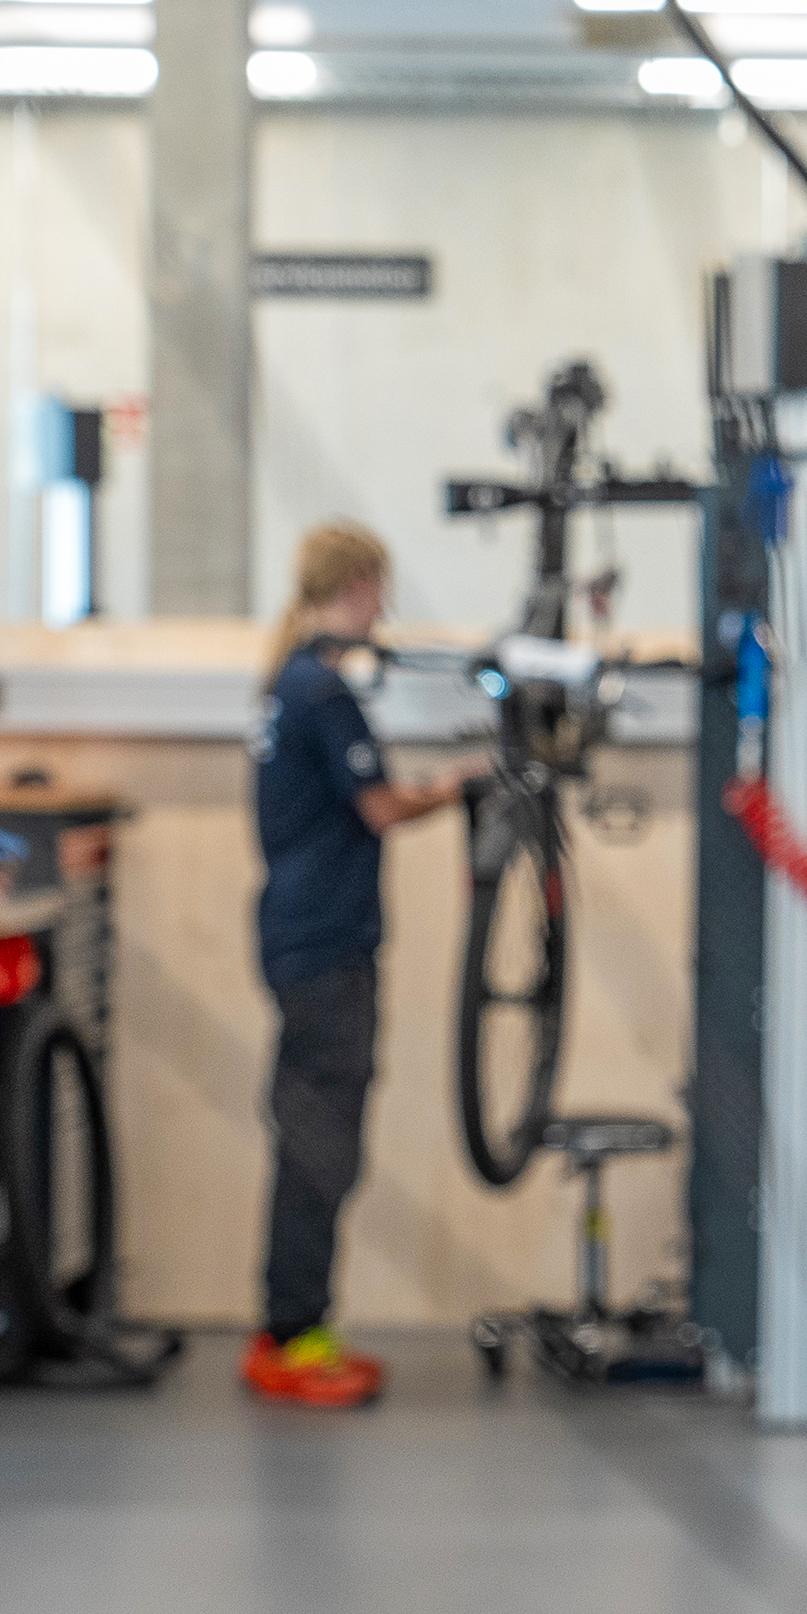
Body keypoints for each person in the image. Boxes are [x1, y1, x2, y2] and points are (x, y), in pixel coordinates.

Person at [244, 521, 476, 1407]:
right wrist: (454, 786)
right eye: (381, 588)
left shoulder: (288, 683)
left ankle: (292, 1329)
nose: (386, 607)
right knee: (318, 1145)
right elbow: (378, 808)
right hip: (326, 945)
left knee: (313, 1135)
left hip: (300, 935)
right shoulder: (322, 693)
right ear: (360, 585)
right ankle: (292, 1336)